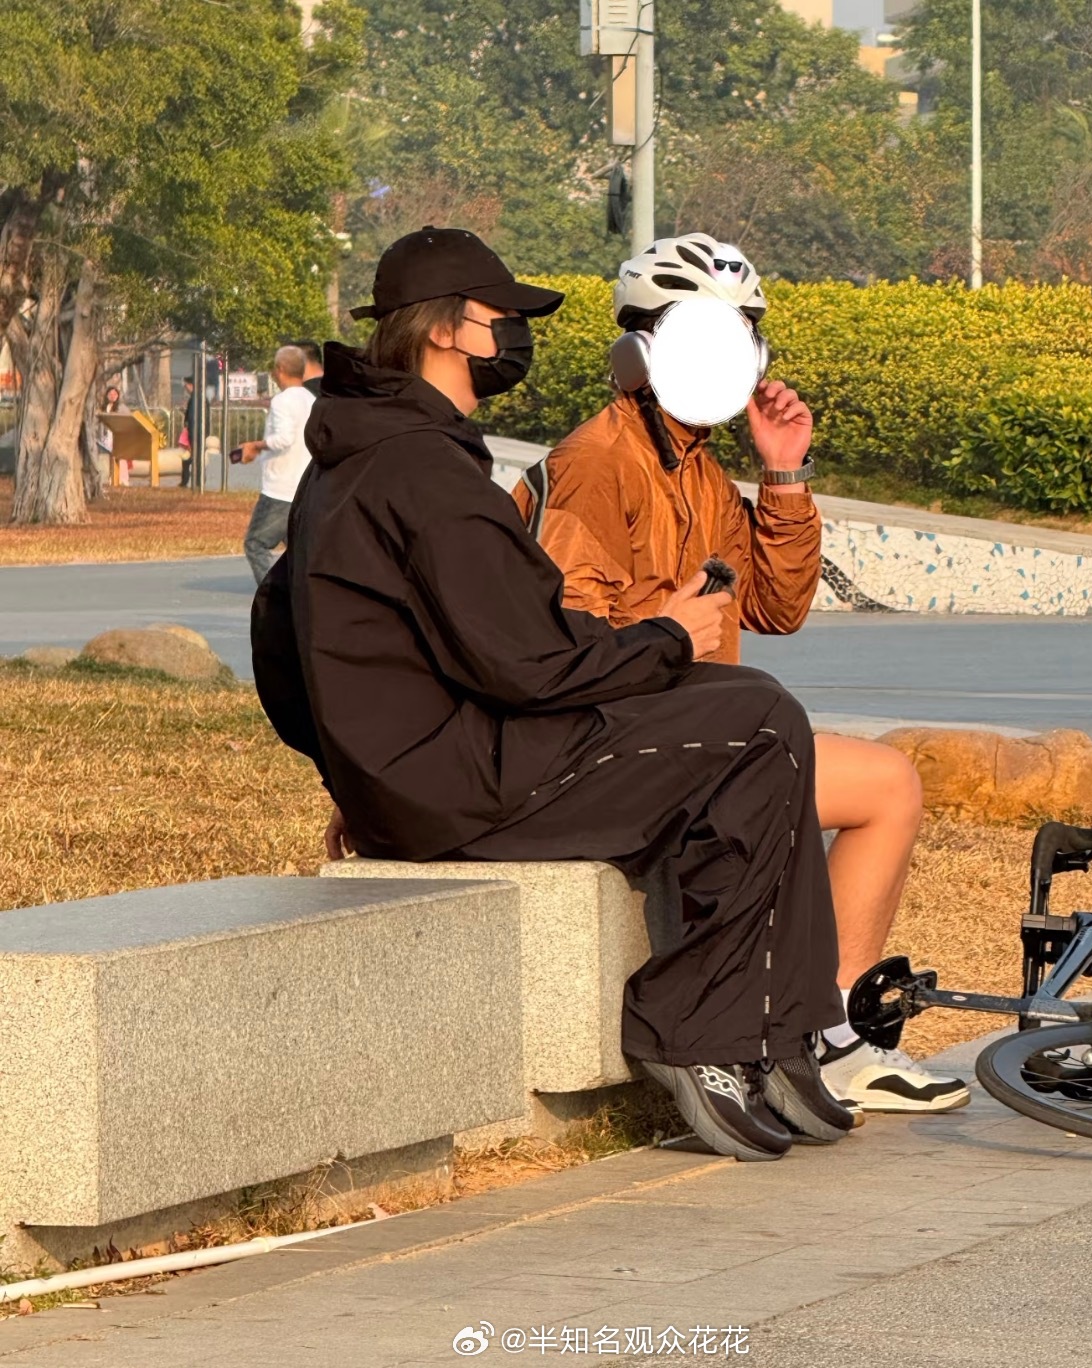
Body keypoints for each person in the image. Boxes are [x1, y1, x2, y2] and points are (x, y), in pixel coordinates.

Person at [251, 226, 854, 1163]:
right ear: (450, 331)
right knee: (759, 722)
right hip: (465, 788)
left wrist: (349, 768)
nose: (516, 339)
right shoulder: (424, 469)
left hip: (434, 776)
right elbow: (531, 663)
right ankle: (699, 1029)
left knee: (751, 718)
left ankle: (773, 1026)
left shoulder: (369, 457)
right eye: (505, 320)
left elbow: (278, 626)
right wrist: (669, 637)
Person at [512, 234, 968, 1116]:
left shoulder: (700, 470)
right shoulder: (595, 469)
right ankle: (818, 1037)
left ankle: (832, 1031)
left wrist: (785, 474)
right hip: (617, 745)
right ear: (639, 347)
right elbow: (567, 644)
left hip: (706, 733)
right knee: (865, 775)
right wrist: (667, 630)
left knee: (887, 787)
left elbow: (773, 606)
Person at [238, 345, 316, 585]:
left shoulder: (282, 401)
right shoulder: (311, 400)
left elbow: (283, 439)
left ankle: (270, 597)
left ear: (279, 370)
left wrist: (256, 445)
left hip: (279, 489)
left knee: (255, 544)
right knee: (297, 551)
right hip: (303, 487)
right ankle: (301, 597)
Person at [98, 384, 129, 486]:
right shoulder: (103, 407)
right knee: (108, 458)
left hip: (118, 436)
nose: (112, 396)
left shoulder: (121, 407)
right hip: (106, 436)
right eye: (110, 394)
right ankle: (111, 477)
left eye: (115, 394)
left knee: (121, 457)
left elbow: (128, 419)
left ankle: (123, 478)